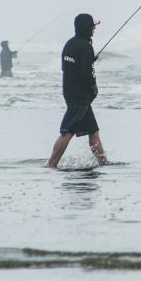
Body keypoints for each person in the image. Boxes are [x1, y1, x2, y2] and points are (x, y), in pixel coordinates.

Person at [47, 13, 107, 168]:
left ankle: (103, 163)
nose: (94, 28)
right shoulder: (86, 46)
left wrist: (87, 61)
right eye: (93, 26)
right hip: (79, 96)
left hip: (70, 91)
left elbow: (68, 68)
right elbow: (85, 74)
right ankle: (51, 164)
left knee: (93, 131)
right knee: (68, 130)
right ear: (87, 27)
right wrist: (93, 86)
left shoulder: (70, 44)